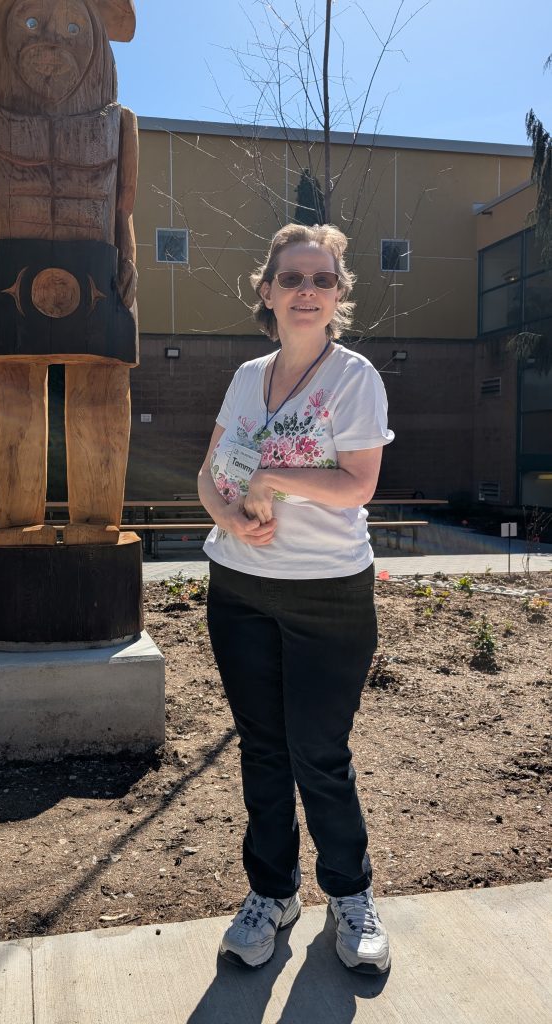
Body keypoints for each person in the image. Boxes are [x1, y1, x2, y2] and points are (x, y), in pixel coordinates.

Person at [197, 223, 395, 974]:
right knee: (263, 750)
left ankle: (349, 895)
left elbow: (358, 484)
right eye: (291, 278)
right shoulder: (247, 376)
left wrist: (271, 481)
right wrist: (229, 521)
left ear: (337, 295)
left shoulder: (354, 378)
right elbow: (207, 474)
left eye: (320, 279)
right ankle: (271, 895)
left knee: (319, 752)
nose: (305, 290)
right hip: (238, 589)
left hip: (327, 594)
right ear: (267, 291)